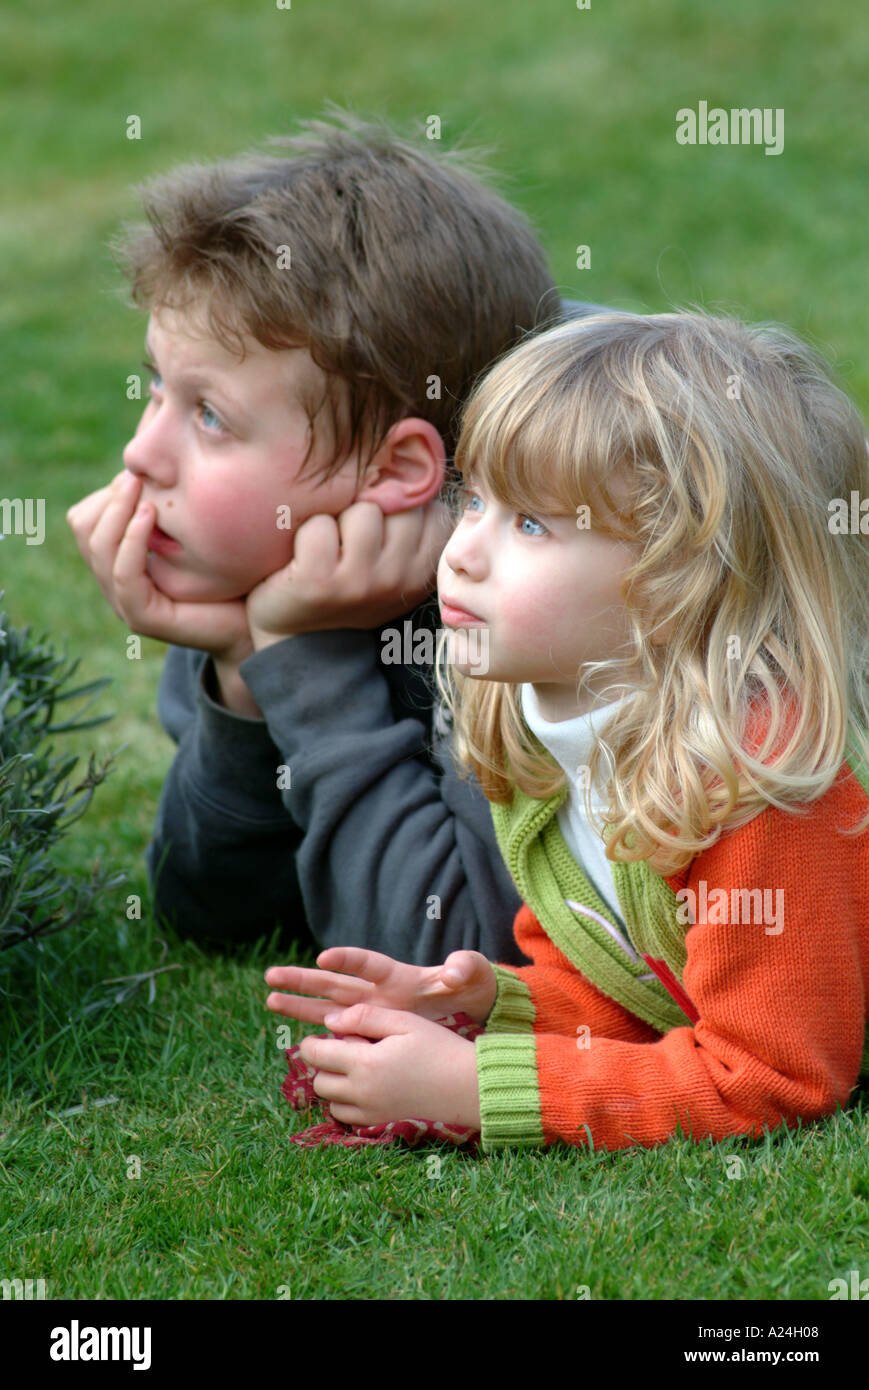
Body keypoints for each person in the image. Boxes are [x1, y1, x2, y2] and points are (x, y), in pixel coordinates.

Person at [265, 308, 869, 1152]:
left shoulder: (756, 783)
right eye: (474, 499)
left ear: (673, 580)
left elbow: (770, 1076)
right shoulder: (543, 722)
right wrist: (492, 1006)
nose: (461, 551)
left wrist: (480, 1089)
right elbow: (638, 992)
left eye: (530, 524)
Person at [67, 109, 602, 962]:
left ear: (396, 470)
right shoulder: (260, 562)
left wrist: (303, 656)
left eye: (209, 416)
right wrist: (244, 672)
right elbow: (219, 914)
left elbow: (460, 953)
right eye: (157, 387)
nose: (139, 454)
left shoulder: (537, 614)